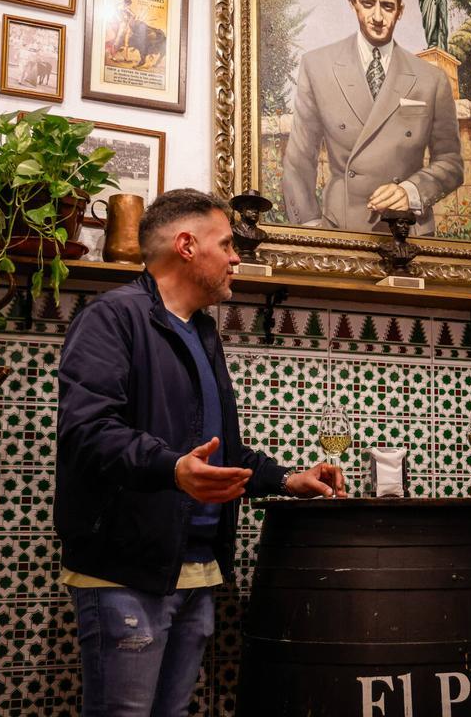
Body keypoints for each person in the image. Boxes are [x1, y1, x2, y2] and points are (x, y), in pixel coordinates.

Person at [56, 189, 346, 717]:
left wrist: (287, 479)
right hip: (126, 572)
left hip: (197, 570)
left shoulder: (202, 331)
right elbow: (87, 431)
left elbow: (219, 451)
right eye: (227, 244)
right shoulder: (112, 317)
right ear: (187, 246)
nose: (236, 258)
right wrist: (172, 469)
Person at [281, 0, 463, 236]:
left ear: (400, 11)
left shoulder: (431, 79)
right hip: (341, 231)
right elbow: (299, 161)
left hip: (409, 234)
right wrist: (311, 233)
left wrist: (411, 191)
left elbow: (451, 162)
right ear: (352, 3)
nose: (378, 16)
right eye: (367, 4)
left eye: (387, 6)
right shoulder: (317, 66)